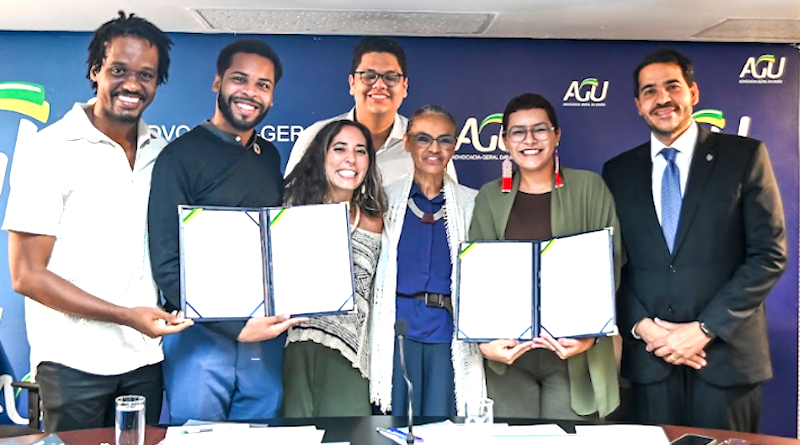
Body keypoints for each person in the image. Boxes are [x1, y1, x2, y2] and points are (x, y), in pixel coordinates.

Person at [2, 11, 192, 432]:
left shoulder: (162, 154)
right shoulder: (49, 150)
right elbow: (26, 275)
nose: (132, 85)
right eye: (119, 70)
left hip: (144, 357)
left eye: (147, 74)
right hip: (72, 362)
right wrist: (125, 314)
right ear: (95, 71)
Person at [602, 48, 787, 432]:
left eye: (672, 86)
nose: (663, 98)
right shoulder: (618, 171)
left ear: (693, 92)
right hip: (652, 363)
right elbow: (612, 263)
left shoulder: (744, 156)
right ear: (638, 105)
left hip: (725, 358)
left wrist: (702, 330)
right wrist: (645, 328)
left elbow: (768, 255)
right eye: (650, 91)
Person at [148, 39, 305, 423]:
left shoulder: (269, 156)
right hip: (200, 337)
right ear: (218, 83)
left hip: (263, 340)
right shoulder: (178, 156)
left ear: (272, 98)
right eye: (240, 79)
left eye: (263, 85)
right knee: (198, 435)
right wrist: (235, 326)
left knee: (259, 433)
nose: (251, 92)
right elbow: (167, 264)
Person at [469, 93, 621, 419]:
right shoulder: (490, 198)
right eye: (518, 132)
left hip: (572, 357)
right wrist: (485, 343)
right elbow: (476, 278)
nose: (529, 140)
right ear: (505, 141)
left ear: (557, 135)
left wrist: (589, 337)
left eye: (539, 129)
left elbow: (611, 266)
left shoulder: (589, 188)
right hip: (510, 359)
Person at [371, 105, 483, 416]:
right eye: (423, 139)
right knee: (394, 427)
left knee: (442, 428)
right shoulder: (384, 199)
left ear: (455, 146)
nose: (434, 149)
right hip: (397, 330)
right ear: (407, 143)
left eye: (444, 140)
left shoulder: (473, 203)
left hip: (446, 333)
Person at [281, 120, 385, 417]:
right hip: (297, 346)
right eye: (339, 148)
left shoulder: (375, 220)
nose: (350, 159)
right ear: (321, 155)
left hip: (351, 356)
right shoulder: (289, 211)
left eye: (360, 151)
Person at [284, 36, 456, 185]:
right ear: (352, 83)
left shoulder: (427, 145)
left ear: (404, 87)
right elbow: (291, 210)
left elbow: (450, 210)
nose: (379, 85)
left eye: (391, 77)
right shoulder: (315, 137)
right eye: (368, 76)